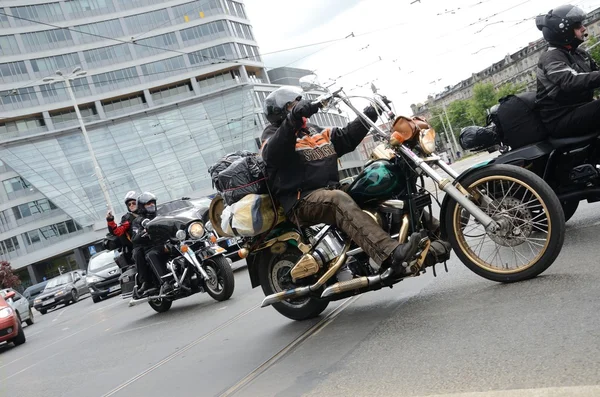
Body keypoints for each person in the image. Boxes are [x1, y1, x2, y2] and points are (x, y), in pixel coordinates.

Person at [261, 86, 450, 276]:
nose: (302, 107)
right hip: (302, 200)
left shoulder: (314, 131)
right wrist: (293, 119)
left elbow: (347, 137)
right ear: (283, 110)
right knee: (337, 199)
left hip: (330, 189)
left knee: (380, 182)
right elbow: (273, 153)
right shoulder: (273, 135)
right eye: (295, 104)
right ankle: (391, 253)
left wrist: (371, 111)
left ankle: (440, 230)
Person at [536, 4, 600, 138]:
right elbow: (570, 81)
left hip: (579, 109)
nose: (583, 28)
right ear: (563, 31)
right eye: (577, 26)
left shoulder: (579, 54)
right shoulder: (551, 57)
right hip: (560, 119)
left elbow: (596, 73)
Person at [131, 192, 173, 296]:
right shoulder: (138, 221)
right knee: (151, 255)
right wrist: (143, 233)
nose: (151, 205)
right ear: (142, 206)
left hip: (167, 243)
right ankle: (165, 283)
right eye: (148, 204)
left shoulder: (161, 214)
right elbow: (135, 237)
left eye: (152, 203)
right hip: (151, 247)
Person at [106, 191, 138, 265]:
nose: (131, 205)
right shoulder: (128, 219)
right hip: (137, 246)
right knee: (138, 255)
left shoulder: (146, 213)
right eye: (129, 204)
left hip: (153, 242)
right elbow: (117, 231)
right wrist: (110, 220)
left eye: (134, 203)